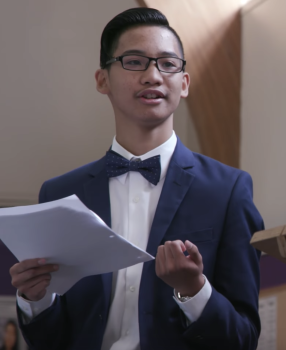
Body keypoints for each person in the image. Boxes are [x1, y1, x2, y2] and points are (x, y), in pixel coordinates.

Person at [9, 7, 263, 350]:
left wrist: (194, 290)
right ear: (102, 80)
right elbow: (51, 342)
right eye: (134, 61)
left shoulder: (228, 190)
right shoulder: (60, 193)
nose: (153, 76)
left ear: (184, 83)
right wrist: (34, 298)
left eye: (168, 63)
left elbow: (243, 339)